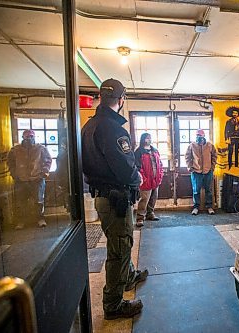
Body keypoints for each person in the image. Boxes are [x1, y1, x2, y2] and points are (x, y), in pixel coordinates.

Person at [81, 78, 148, 320]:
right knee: (119, 248)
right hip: (115, 198)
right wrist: (137, 177)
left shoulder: (88, 127)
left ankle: (128, 276)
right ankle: (114, 304)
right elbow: (124, 167)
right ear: (121, 101)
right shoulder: (113, 128)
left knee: (122, 242)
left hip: (104, 197)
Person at [7, 130, 52, 229]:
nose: (29, 139)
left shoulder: (40, 149)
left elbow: (48, 160)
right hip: (21, 180)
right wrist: (14, 174)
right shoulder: (15, 150)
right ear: (23, 137)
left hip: (37, 179)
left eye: (31, 136)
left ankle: (40, 219)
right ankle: (21, 221)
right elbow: (10, 163)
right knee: (20, 202)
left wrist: (44, 173)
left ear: (34, 137)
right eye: (27, 137)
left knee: (39, 201)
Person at [134, 133, 164, 227]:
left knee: (153, 198)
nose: (149, 140)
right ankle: (140, 218)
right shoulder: (139, 152)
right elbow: (137, 167)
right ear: (143, 139)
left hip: (155, 179)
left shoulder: (154, 150)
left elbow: (160, 163)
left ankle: (150, 214)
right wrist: (143, 178)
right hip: (145, 180)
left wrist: (160, 175)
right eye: (147, 138)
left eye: (150, 138)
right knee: (144, 199)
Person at [185, 129, 217, 215]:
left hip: (208, 171)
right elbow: (187, 157)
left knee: (209, 190)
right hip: (196, 171)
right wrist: (190, 167)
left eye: (201, 135)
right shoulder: (192, 145)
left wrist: (212, 167)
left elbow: (214, 156)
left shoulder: (210, 145)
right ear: (196, 136)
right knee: (196, 190)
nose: (200, 137)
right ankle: (196, 207)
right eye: (198, 135)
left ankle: (209, 206)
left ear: (204, 136)